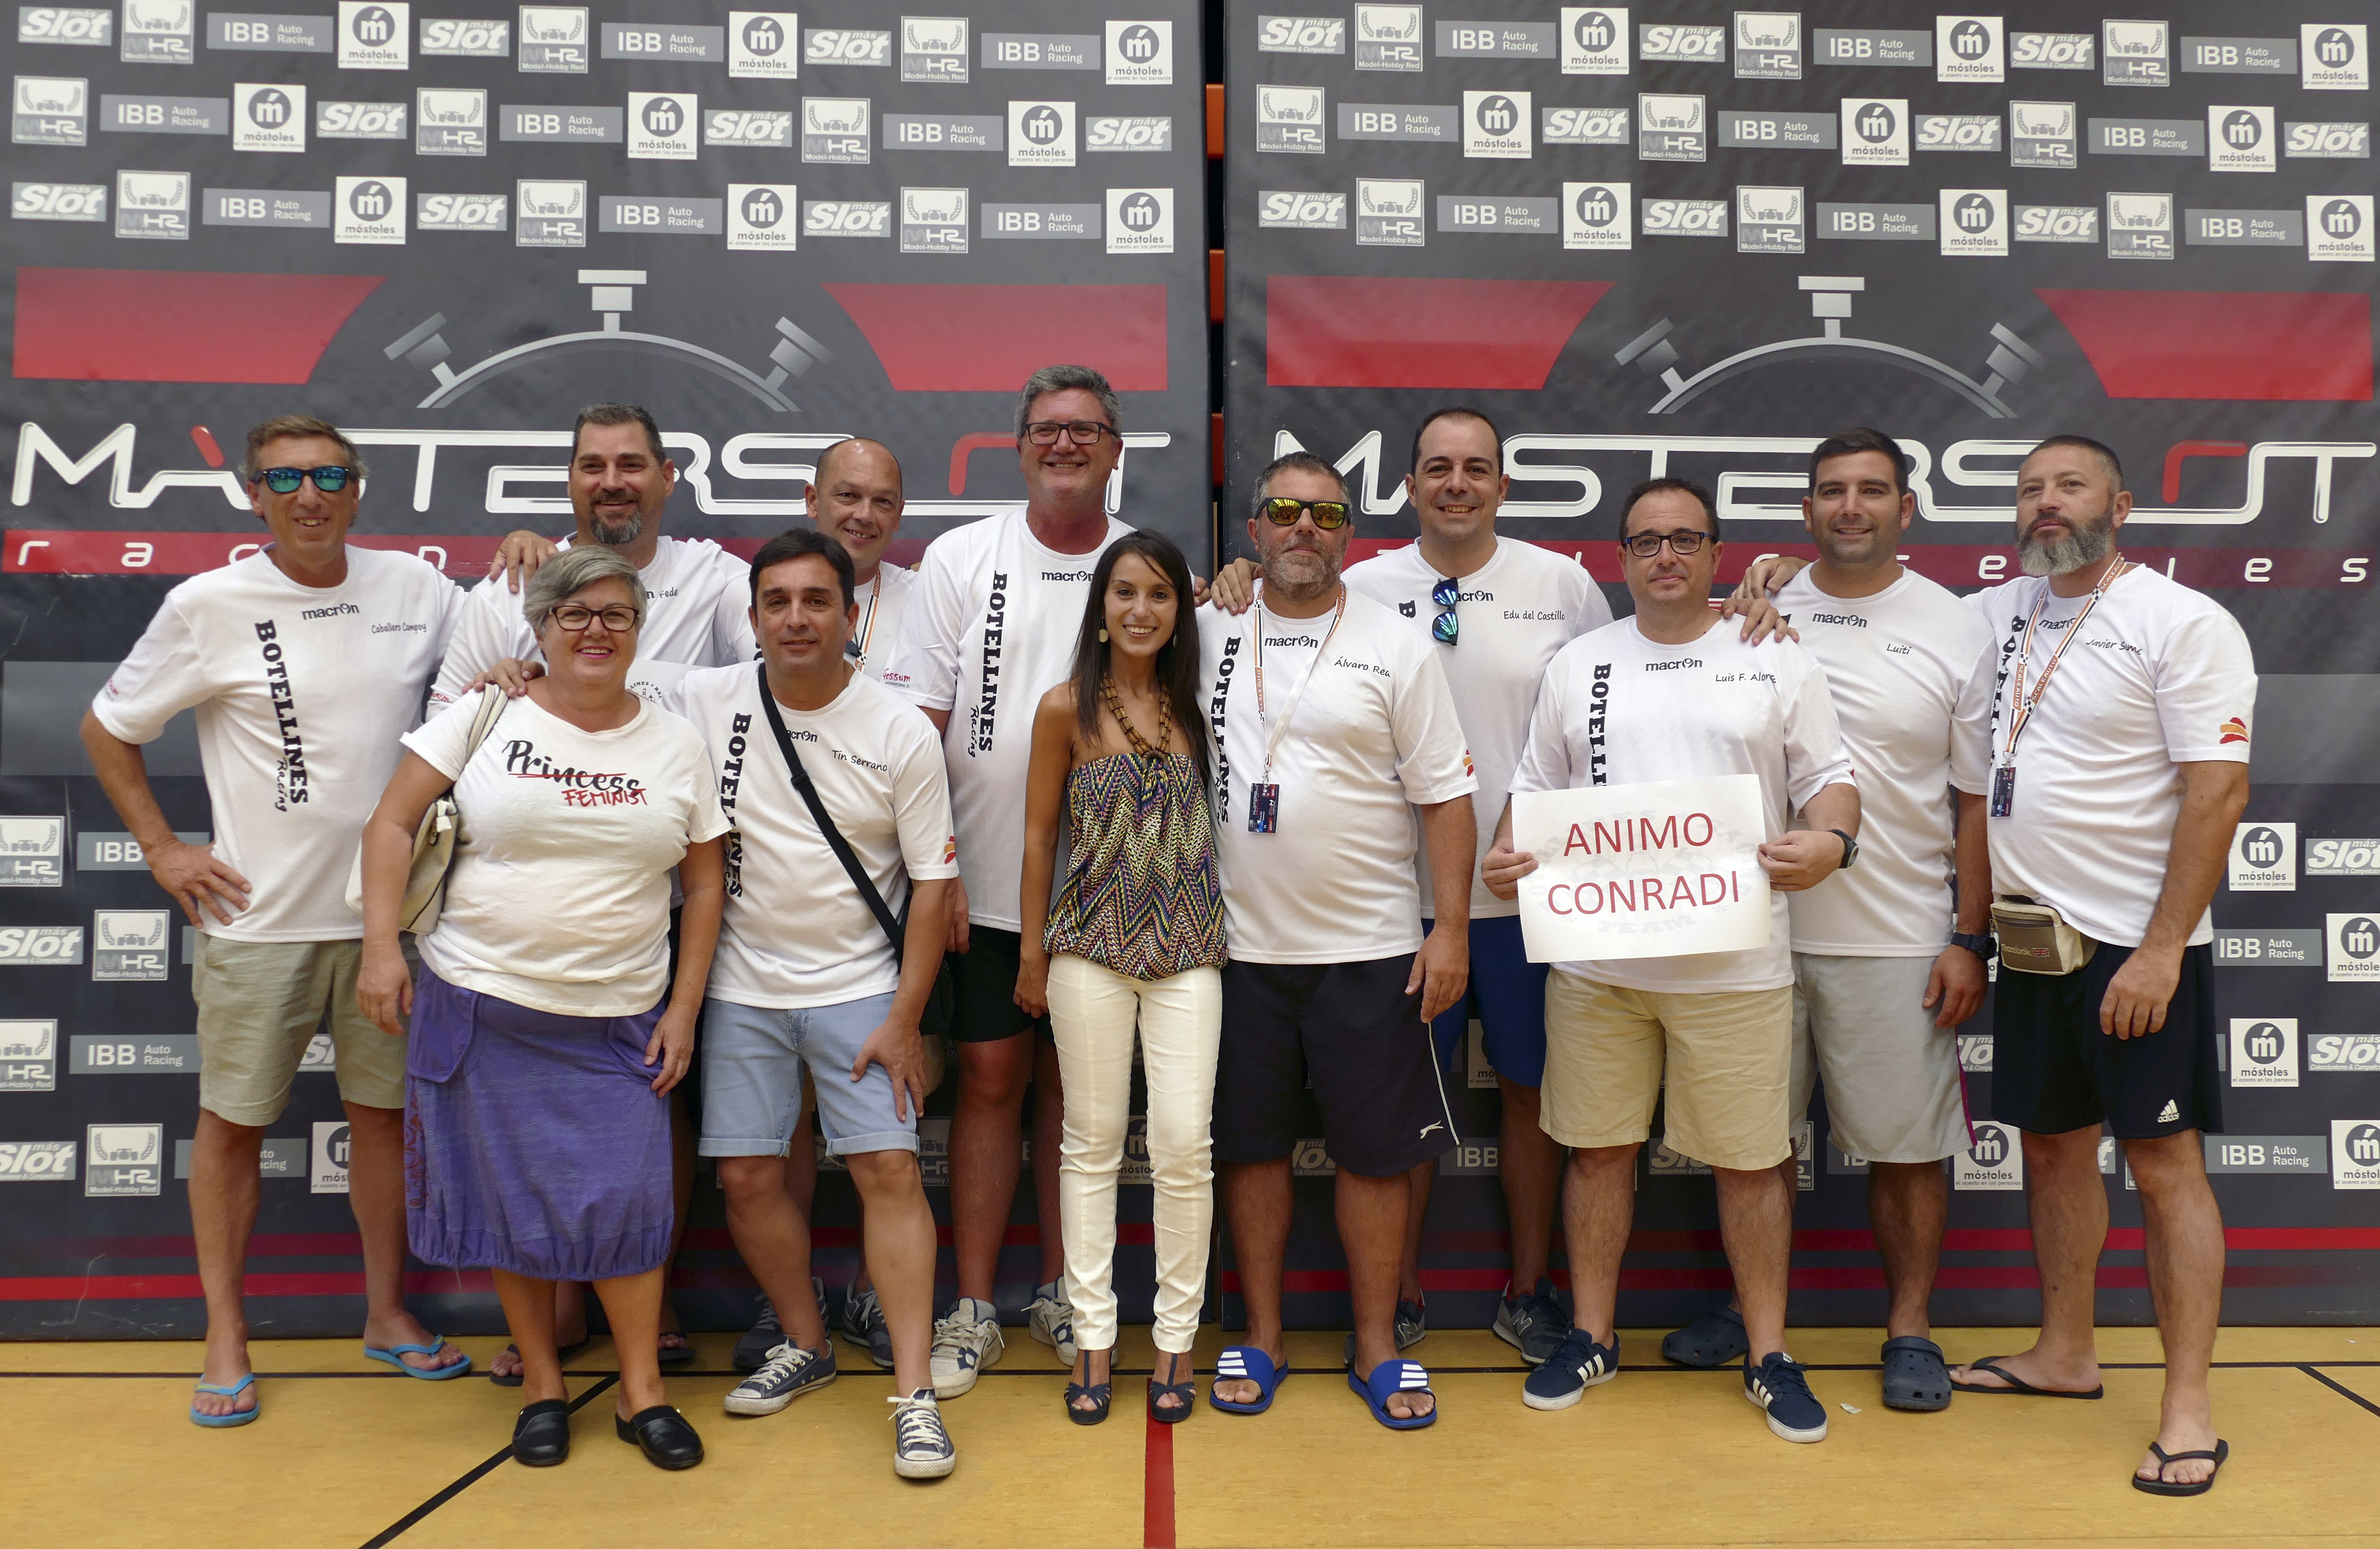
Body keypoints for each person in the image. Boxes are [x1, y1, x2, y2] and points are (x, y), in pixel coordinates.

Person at [80, 414, 470, 1426]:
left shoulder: (419, 588)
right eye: (286, 479)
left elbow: (506, 643)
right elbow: (108, 728)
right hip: (256, 924)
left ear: (357, 489)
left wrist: (521, 556)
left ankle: (385, 1313)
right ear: (253, 495)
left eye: (330, 477)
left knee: (382, 1123)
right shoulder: (207, 605)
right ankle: (225, 1334)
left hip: (387, 925)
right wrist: (164, 849)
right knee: (231, 1128)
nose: (310, 496)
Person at [1485, 476, 1859, 1444]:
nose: (1666, 556)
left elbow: (1829, 777)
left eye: (1686, 540)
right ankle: (1593, 1336)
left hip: (1737, 970)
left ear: (1715, 554)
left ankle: (1769, 1354)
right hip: (1600, 972)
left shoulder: (1771, 651)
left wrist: (1833, 841)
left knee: (1752, 1165)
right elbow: (1536, 787)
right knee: (1597, 1152)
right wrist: (1506, 852)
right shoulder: (1581, 662)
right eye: (1647, 541)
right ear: (1620, 558)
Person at [358, 544, 728, 1471]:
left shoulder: (676, 740)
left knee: (630, 1208)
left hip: (620, 1017)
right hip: (485, 1005)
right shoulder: (485, 713)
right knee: (511, 1205)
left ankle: (642, 1392)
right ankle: (542, 1389)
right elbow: (391, 823)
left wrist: (684, 1007)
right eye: (576, 613)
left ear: (639, 631)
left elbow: (705, 880)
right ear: (543, 626)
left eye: (617, 615)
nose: (597, 630)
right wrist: (381, 949)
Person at [1656, 430, 1996, 1409]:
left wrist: (1967, 937)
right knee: (1749, 1144)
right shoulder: (1753, 608)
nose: (1852, 507)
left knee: (1905, 1150)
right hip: (1748, 931)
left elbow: (1975, 801)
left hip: (1895, 936)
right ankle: (1750, 1313)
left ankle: (1910, 1330)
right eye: (1833, 491)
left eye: (1873, 491)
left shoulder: (1956, 626)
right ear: (1805, 510)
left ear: (1906, 508)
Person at [1946, 435, 2249, 1496]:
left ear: (2118, 506)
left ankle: (2188, 1408)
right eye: (2030, 489)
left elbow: (2218, 791)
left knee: (2165, 1167)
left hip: (2136, 945)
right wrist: (1774, 575)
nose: (2046, 503)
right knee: (2053, 1151)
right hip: (2036, 941)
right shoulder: (1994, 612)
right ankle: (2064, 1352)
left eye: (2068, 486)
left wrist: (2162, 950)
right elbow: (1875, 597)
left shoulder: (2180, 620)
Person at [437, 401, 752, 1381]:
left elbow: (786, 659)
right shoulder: (509, 587)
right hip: (524, 924)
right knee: (529, 1132)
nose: (612, 482)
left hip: (664, 903)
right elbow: (443, 734)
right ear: (570, 480)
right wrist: (499, 683)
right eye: (592, 466)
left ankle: (646, 1309)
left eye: (631, 465)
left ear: (667, 478)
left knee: (653, 1114)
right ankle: (559, 1311)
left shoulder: (715, 577)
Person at [669, 529, 960, 1478]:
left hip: (863, 987)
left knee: (890, 1172)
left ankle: (914, 1394)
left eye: (816, 601)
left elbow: (933, 889)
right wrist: (508, 673)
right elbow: (586, 681)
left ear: (851, 616)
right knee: (748, 1182)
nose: (796, 619)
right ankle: (808, 1341)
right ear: (754, 618)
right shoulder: (702, 699)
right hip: (739, 988)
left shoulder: (899, 729)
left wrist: (905, 1021)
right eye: (778, 602)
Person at [879, 364, 1144, 1394]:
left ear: (1115, 450)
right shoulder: (962, 556)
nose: (1065, 444)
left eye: (1086, 430)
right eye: (1047, 429)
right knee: (990, 1079)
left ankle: (1069, 1294)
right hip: (982, 881)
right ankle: (976, 1306)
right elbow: (921, 731)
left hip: (1110, 890)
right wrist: (937, 873)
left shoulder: (1142, 559)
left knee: (1079, 1090)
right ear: (1021, 444)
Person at [1201, 453, 1477, 1430]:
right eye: (1284, 511)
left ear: (1350, 535)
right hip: (1234, 952)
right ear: (1253, 531)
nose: (1303, 529)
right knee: (1251, 1150)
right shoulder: (1209, 626)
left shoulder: (1395, 643)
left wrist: (1450, 930)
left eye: (1324, 515)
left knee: (1374, 1158)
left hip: (1370, 948)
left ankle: (1374, 1345)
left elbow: (1446, 795)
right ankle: (1262, 1335)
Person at [1343, 407, 1613, 1363]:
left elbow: (1612, 707)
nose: (1456, 484)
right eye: (1437, 469)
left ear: (1503, 484)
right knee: (1405, 1111)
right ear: (1408, 486)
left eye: (1476, 469)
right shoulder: (1358, 587)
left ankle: (1528, 1290)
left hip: (1533, 904)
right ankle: (1399, 1289)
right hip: (1397, 905)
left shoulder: (1563, 586)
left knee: (1533, 1097)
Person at [1016, 532, 1226, 1424]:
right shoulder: (1064, 708)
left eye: (1161, 595)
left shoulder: (1200, 706)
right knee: (1091, 1145)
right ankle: (1094, 1336)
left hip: (1189, 952)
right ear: (1101, 607)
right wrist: (1032, 954)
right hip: (1087, 952)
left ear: (1181, 610)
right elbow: (1037, 839)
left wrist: (1232, 580)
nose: (1141, 610)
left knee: (1182, 1146)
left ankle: (1177, 1342)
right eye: (1125, 592)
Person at [744, 435, 924, 1375]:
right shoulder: (722, 653)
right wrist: (519, 671)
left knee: (885, 1156)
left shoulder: (932, 596)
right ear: (812, 498)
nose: (863, 513)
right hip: (748, 963)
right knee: (757, 1161)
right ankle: (797, 1320)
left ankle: (888, 1331)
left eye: (882, 500)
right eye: (846, 495)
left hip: (878, 935)